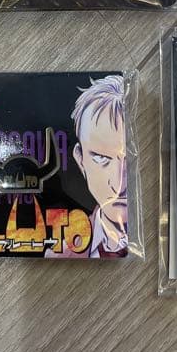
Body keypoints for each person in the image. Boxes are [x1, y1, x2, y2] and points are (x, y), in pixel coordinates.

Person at [47, 74, 128, 258]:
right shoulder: (61, 253)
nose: (118, 184)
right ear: (80, 159)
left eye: (129, 158)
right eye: (101, 157)